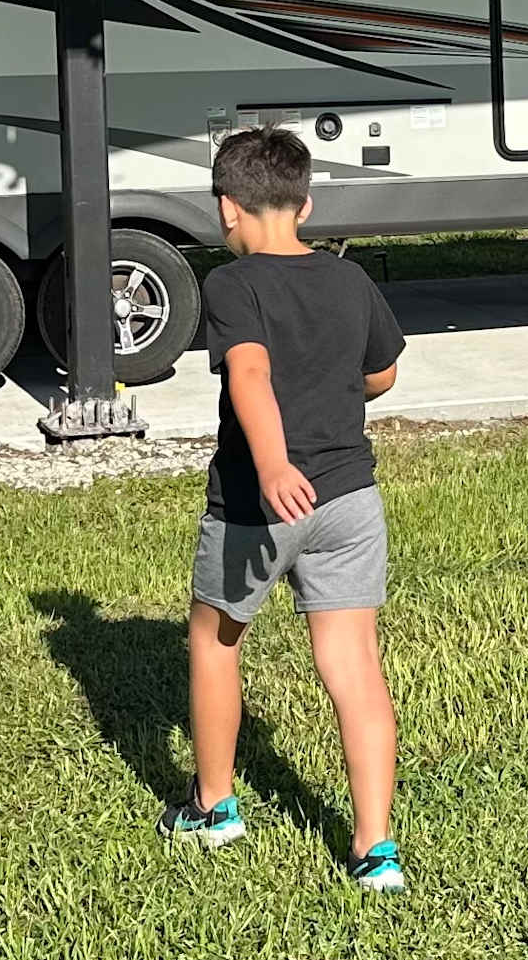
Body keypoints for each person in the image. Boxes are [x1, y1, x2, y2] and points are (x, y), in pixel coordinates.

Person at [166, 126, 411, 893]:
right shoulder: (349, 280)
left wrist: (271, 464)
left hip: (257, 503)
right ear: (305, 204)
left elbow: (248, 371)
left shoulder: (232, 287)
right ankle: (376, 849)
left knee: (216, 640)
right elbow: (383, 375)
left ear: (226, 210)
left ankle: (215, 808)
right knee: (353, 665)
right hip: (350, 496)